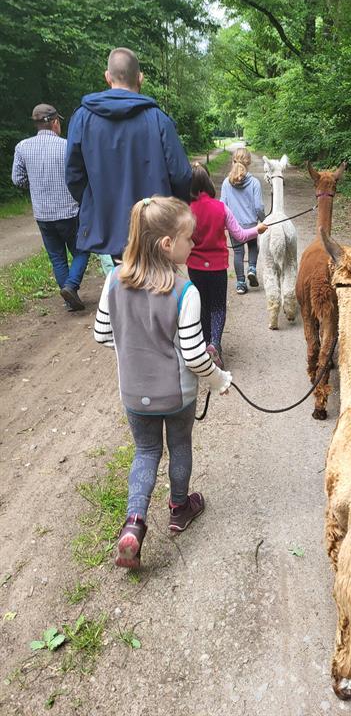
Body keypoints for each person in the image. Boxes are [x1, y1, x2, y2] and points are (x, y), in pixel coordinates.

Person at [94, 195, 232, 569]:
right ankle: (179, 507)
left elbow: (102, 335)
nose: (194, 243)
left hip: (134, 394)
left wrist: (132, 347)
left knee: (145, 451)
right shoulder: (186, 292)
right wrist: (220, 380)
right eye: (189, 238)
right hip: (178, 394)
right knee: (180, 445)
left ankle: (134, 524)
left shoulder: (113, 281)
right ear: (168, 245)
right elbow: (194, 355)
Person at [65, 47, 192, 261]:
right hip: (155, 226)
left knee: (124, 282)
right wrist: (171, 211)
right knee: (158, 285)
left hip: (109, 227)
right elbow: (181, 175)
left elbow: (73, 176)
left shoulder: (82, 118)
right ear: (140, 78)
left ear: (107, 77)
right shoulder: (158, 119)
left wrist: (98, 203)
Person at [186, 163, 268, 367]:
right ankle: (215, 343)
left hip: (195, 267)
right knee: (218, 306)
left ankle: (205, 344)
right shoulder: (221, 208)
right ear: (208, 182)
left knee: (203, 306)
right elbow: (240, 235)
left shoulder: (186, 210)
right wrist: (257, 230)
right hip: (217, 268)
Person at [11, 104, 90, 311]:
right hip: (69, 211)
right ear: (55, 122)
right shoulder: (67, 147)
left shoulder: (22, 147)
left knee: (57, 257)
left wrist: (36, 183)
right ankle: (71, 286)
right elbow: (81, 175)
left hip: (43, 214)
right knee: (82, 249)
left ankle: (69, 300)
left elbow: (17, 179)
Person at [220, 148, 264, 295]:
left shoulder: (227, 182)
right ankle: (252, 268)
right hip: (251, 224)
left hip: (234, 226)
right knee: (253, 247)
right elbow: (258, 207)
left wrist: (224, 224)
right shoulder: (254, 183)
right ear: (249, 162)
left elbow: (223, 205)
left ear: (233, 161)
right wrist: (263, 220)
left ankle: (240, 283)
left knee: (238, 253)